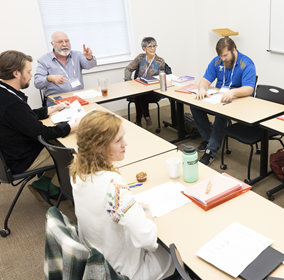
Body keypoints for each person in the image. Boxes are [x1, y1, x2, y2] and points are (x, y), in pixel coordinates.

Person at [70, 111, 177, 280]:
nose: (125, 144)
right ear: (99, 147)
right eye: (118, 140)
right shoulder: (113, 185)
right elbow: (147, 239)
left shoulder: (77, 171)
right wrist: (147, 216)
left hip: (98, 260)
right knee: (177, 254)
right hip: (124, 272)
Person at [0, 50, 79, 206]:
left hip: (10, 152)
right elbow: (42, 133)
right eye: (28, 72)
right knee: (73, 153)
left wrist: (52, 109)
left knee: (59, 144)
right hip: (21, 158)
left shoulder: (4, 92)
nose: (31, 75)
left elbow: (24, 117)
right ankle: (58, 190)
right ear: (16, 73)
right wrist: (72, 126)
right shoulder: (12, 104)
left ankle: (42, 184)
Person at [192, 37, 256, 166]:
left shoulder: (247, 63)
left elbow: (249, 89)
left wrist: (233, 92)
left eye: (225, 55)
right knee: (195, 105)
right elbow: (205, 80)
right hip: (220, 96)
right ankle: (209, 138)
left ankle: (211, 151)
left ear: (234, 50)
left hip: (239, 99)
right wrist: (202, 89)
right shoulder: (217, 61)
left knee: (221, 114)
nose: (223, 59)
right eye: (220, 56)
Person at [34, 31, 97, 106]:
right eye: (60, 42)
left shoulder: (77, 55)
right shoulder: (44, 60)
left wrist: (89, 57)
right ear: (52, 44)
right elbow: (37, 83)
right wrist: (49, 78)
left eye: (66, 41)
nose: (64, 44)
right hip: (57, 101)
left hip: (78, 97)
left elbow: (90, 66)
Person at [124, 37, 165, 128]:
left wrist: (149, 79)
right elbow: (128, 69)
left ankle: (140, 120)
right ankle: (145, 118)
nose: (152, 48)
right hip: (140, 88)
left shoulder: (160, 61)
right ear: (144, 48)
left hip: (153, 90)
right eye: (149, 46)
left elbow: (161, 77)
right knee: (140, 93)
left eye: (154, 46)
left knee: (141, 94)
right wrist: (128, 81)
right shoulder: (140, 58)